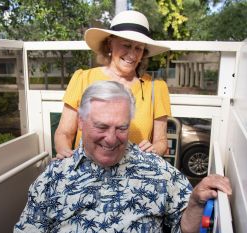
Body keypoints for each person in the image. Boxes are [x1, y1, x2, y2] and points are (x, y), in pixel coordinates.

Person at [2, 81, 232, 233]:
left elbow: (188, 231)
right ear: (81, 122)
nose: (111, 139)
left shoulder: (157, 170)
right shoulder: (54, 176)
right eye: (101, 127)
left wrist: (195, 201)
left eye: (121, 128)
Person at [54, 10, 171, 159]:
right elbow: (64, 133)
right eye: (126, 45)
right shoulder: (83, 78)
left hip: (133, 176)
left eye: (138, 48)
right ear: (110, 44)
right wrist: (66, 155)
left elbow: (161, 141)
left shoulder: (155, 88)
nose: (132, 55)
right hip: (86, 172)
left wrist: (154, 150)